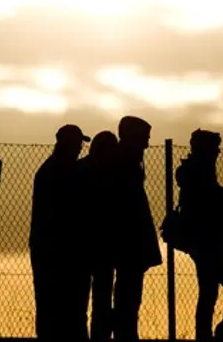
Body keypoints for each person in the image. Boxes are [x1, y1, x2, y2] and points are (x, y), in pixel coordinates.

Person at [178, 130, 223, 341]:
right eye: (215, 147)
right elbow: (204, 204)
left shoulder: (200, 173)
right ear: (205, 149)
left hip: (207, 242)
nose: (218, 151)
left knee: (211, 293)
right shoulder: (194, 173)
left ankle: (212, 334)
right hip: (207, 242)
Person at [30, 124, 90, 341]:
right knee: (63, 309)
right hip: (60, 251)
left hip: (50, 249)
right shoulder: (62, 172)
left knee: (52, 307)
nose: (79, 148)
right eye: (77, 144)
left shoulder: (51, 170)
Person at [112, 116, 162, 341]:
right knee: (128, 295)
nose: (147, 144)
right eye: (144, 138)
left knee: (128, 294)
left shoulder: (128, 161)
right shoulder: (125, 164)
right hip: (128, 243)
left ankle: (126, 333)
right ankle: (126, 334)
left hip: (129, 242)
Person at [75, 131, 119, 341]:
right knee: (101, 300)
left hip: (83, 244)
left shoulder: (79, 169)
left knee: (80, 300)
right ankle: (99, 338)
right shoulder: (111, 173)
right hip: (102, 245)